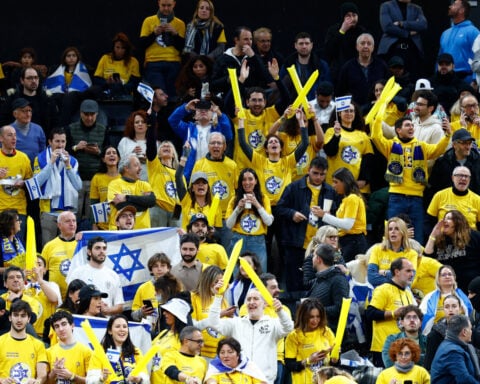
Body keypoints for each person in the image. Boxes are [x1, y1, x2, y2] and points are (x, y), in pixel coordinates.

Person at [371, 113, 452, 244]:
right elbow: (376, 136)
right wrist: (379, 116)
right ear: (398, 130)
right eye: (407, 125)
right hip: (396, 197)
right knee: (393, 233)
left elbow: (438, 149)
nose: (411, 128)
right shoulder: (390, 146)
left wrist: (447, 135)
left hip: (417, 198)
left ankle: (416, 262)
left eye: (412, 125)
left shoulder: (422, 146)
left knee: (417, 235)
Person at [208, 286, 294, 384]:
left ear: (265, 303)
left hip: (264, 380)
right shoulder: (236, 323)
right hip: (240, 379)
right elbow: (213, 323)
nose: (251, 302)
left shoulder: (273, 323)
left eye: (256, 299)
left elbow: (289, 327)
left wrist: (280, 311)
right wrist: (217, 297)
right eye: (248, 299)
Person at [276, 157, 336, 291]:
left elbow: (336, 215)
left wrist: (327, 215)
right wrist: (292, 214)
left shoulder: (330, 191)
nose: (318, 177)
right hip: (296, 242)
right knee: (294, 280)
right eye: (315, 173)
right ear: (308, 170)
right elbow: (279, 208)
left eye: (322, 174)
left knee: (317, 283)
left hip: (320, 244)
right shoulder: (293, 187)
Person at [32, 127, 82, 246]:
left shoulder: (73, 161)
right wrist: (51, 163)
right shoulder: (40, 158)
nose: (60, 145)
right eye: (57, 141)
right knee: (48, 249)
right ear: (50, 142)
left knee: (67, 250)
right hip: (48, 212)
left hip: (68, 213)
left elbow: (78, 186)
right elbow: (37, 183)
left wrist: (68, 166)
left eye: (63, 141)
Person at [366, 257, 416, 367]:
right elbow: (370, 313)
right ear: (397, 272)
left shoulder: (407, 293)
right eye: (408, 271)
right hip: (384, 348)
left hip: (403, 348)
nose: (412, 274)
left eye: (412, 271)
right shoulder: (383, 289)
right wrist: (393, 313)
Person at [191, 132, 238, 248]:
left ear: (224, 146)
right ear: (208, 146)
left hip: (227, 218)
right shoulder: (199, 164)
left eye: (219, 143)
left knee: (227, 254)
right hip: (206, 220)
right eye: (213, 143)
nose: (216, 146)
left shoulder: (232, 165)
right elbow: (192, 190)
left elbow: (237, 190)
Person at [168, 99, 232, 182]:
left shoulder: (218, 129)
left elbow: (229, 136)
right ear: (194, 115)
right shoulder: (188, 129)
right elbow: (172, 120)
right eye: (200, 110)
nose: (203, 111)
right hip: (191, 175)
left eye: (207, 110)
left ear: (212, 114)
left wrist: (220, 115)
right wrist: (186, 108)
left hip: (214, 173)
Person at [67, 99, 107, 225]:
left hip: (95, 180)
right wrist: (76, 148)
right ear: (80, 113)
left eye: (92, 114)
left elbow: (110, 152)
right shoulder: (70, 129)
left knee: (92, 219)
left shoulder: (103, 130)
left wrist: (99, 152)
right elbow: (63, 151)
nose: (89, 117)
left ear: (97, 114)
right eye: (86, 114)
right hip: (75, 180)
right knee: (73, 217)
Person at [225, 168, 273, 273]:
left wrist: (257, 204)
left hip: (258, 240)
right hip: (238, 239)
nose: (247, 182)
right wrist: (238, 209)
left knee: (260, 274)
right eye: (244, 179)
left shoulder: (264, 198)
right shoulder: (234, 199)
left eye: (250, 179)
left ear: (256, 181)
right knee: (237, 273)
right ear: (240, 182)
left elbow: (269, 222)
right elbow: (229, 225)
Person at [316, 167, 367, 263]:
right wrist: (328, 216)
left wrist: (324, 216)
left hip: (354, 242)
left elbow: (347, 225)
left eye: (336, 182)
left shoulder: (352, 198)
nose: (333, 185)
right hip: (347, 241)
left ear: (345, 182)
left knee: (347, 273)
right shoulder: (347, 199)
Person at [323, 101, 373, 194]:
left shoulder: (362, 135)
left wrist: (364, 179)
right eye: (346, 111)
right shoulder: (331, 131)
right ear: (339, 113)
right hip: (335, 186)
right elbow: (330, 152)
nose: (349, 113)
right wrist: (336, 135)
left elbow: (368, 159)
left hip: (357, 186)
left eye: (351, 111)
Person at [424, 210, 480, 292]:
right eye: (444, 218)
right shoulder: (440, 241)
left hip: (473, 287)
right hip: (448, 287)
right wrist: (433, 235)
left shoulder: (473, 236)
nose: (445, 221)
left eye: (449, 218)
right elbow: (427, 260)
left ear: (458, 222)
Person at [67, 236, 124, 315]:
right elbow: (70, 299)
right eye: (97, 248)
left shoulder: (113, 275)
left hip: (105, 323)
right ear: (89, 252)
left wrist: (107, 310)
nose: (101, 251)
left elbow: (120, 306)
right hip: (83, 321)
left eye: (104, 248)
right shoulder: (77, 273)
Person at [139, 0, 185, 97]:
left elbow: (182, 48)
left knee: (172, 95)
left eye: (169, 5)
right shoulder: (148, 21)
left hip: (173, 62)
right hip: (153, 62)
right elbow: (142, 44)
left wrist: (175, 34)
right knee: (160, 95)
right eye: (163, 5)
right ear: (158, 4)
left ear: (174, 4)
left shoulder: (179, 23)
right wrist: (154, 34)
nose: (166, 8)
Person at [86, 314, 149, 384]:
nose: (122, 330)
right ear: (110, 331)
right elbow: (90, 381)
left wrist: (139, 379)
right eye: (117, 326)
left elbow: (146, 379)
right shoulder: (100, 352)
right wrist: (101, 378)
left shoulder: (135, 351)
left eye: (125, 327)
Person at [285, 298, 336, 384]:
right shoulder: (294, 336)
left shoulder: (326, 332)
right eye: (311, 317)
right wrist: (309, 360)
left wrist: (335, 360)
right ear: (304, 317)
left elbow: (334, 365)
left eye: (318, 316)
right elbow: (290, 365)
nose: (315, 320)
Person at [211, 26, 271, 95]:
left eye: (251, 39)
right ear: (236, 40)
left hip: (252, 98)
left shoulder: (255, 57)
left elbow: (265, 78)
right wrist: (227, 79)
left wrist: (253, 57)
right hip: (230, 97)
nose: (249, 42)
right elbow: (213, 85)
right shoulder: (222, 59)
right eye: (246, 39)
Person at [145, 113, 181, 228]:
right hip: (158, 208)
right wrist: (152, 126)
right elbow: (150, 147)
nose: (166, 147)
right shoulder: (155, 166)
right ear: (158, 154)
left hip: (176, 211)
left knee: (176, 243)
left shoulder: (179, 173)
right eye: (163, 147)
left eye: (169, 146)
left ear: (174, 155)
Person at [191, 266, 234, 360]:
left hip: (221, 352)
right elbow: (192, 326)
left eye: (221, 282)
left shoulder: (223, 299)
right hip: (201, 353)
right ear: (207, 281)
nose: (219, 285)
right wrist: (220, 314)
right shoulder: (193, 298)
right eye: (216, 281)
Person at [303, 244, 349, 331]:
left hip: (330, 336)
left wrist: (315, 310)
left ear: (318, 259)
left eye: (313, 256)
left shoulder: (338, 280)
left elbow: (340, 308)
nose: (311, 259)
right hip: (317, 333)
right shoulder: (319, 279)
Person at [0, 300, 47, 384]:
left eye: (23, 316)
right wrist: (2, 380)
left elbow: (42, 374)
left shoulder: (38, 345)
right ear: (10, 317)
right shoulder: (0, 342)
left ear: (28, 319)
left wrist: (37, 382)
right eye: (15, 315)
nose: (19, 319)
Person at [377, 0, 428, 78]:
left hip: (412, 52)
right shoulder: (386, 6)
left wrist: (402, 24)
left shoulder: (417, 9)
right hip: (392, 50)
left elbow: (423, 25)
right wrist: (408, 33)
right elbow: (387, 27)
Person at [0, 125, 33, 243]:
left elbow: (31, 183)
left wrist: (24, 183)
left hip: (19, 211)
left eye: (15, 135)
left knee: (19, 246)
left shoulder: (23, 158)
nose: (14, 138)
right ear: (1, 138)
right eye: (9, 135)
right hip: (1, 210)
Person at [336, 33, 388, 107]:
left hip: (377, 108)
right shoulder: (347, 67)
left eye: (369, 44)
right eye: (362, 43)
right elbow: (340, 92)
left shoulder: (382, 66)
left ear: (373, 47)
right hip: (354, 111)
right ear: (357, 46)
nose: (366, 46)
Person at [44, 46, 92, 126]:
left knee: (69, 97)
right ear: (64, 58)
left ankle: (63, 125)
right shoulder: (57, 69)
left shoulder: (85, 69)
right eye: (68, 56)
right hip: (62, 95)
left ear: (77, 57)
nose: (71, 58)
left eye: (73, 55)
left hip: (76, 96)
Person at [150, 298, 193, 383]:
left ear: (177, 315)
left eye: (168, 311)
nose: (164, 313)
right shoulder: (164, 333)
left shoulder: (183, 341)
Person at [107, 154, 156, 229]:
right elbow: (121, 206)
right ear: (126, 168)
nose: (140, 168)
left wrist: (127, 197)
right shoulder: (114, 184)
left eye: (140, 165)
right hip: (121, 233)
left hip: (143, 232)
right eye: (136, 165)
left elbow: (151, 201)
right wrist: (144, 204)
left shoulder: (145, 184)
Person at [428, 128, 480, 198]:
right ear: (454, 145)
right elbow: (433, 188)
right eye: (464, 143)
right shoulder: (442, 163)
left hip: (473, 206)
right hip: (447, 205)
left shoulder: (477, 161)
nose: (468, 147)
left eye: (470, 143)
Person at [420, 264, 472, 334]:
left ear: (454, 277)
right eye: (443, 275)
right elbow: (422, 318)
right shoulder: (429, 298)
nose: (447, 276)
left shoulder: (462, 296)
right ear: (438, 279)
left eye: (450, 274)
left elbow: (470, 315)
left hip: (460, 334)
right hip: (436, 335)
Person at [367, 217, 418, 287]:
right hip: (379, 292)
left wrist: (385, 272)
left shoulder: (412, 254)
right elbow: (371, 278)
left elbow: (409, 280)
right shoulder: (377, 250)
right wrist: (399, 278)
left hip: (401, 293)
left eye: (397, 229)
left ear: (403, 232)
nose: (393, 231)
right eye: (390, 229)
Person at [280, 32, 331, 101]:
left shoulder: (322, 65)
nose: (304, 46)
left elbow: (328, 88)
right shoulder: (287, 65)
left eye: (307, 43)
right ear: (295, 45)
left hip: (315, 104)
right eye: (301, 43)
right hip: (292, 105)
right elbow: (281, 89)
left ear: (311, 45)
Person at [324, 2, 367, 83]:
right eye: (348, 16)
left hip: (358, 71)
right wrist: (342, 31)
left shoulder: (362, 31)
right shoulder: (334, 30)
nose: (352, 18)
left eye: (354, 15)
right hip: (339, 73)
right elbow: (329, 51)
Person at [431, 314, 480, 383]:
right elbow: (464, 379)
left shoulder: (450, 345)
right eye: (470, 329)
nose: (471, 332)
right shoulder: (452, 351)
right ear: (464, 332)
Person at [427, 166, 480, 230]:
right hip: (444, 237)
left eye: (466, 176)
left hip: (469, 237)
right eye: (460, 175)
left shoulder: (477, 199)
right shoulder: (440, 195)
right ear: (452, 178)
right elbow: (430, 221)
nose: (463, 178)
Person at [46, 311, 92, 384]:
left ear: (72, 325)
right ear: (54, 330)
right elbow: (45, 382)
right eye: (57, 326)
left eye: (64, 324)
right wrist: (54, 372)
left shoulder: (86, 351)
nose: (61, 329)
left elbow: (92, 381)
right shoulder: (48, 352)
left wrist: (72, 376)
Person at [439, 0, 480, 82]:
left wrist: (475, 79)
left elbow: (479, 58)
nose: (450, 7)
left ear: (462, 10)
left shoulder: (473, 32)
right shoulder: (445, 33)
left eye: (454, 5)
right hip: (445, 80)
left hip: (466, 80)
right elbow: (440, 58)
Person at [40, 211, 77, 298]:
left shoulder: (82, 244)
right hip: (56, 297)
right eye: (68, 221)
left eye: (74, 221)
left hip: (78, 297)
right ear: (59, 225)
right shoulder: (49, 246)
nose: (72, 224)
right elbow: (41, 271)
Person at [93, 32, 140, 98]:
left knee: (117, 87)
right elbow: (96, 79)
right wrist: (106, 82)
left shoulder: (133, 61)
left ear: (126, 49)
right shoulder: (105, 58)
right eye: (117, 47)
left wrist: (121, 85)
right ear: (113, 47)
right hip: (106, 91)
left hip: (125, 93)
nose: (120, 50)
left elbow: (135, 83)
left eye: (123, 48)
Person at [423, 294, 463, 370]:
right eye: (447, 307)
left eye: (454, 306)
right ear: (443, 309)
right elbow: (428, 363)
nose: (450, 310)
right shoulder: (434, 335)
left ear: (460, 309)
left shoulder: (469, 330)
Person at [24, 255, 62, 337]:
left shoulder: (52, 285)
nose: (35, 267)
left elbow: (54, 299)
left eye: (38, 264)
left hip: (45, 333)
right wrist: (21, 277)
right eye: (31, 264)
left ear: (45, 269)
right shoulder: (20, 285)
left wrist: (39, 280)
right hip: (24, 332)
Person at [131, 252, 172, 324]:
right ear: (151, 269)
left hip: (171, 330)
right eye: (156, 266)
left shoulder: (176, 287)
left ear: (168, 268)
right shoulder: (143, 288)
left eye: (163, 266)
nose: (159, 269)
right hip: (150, 330)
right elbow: (133, 316)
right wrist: (142, 312)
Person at [90, 146, 121, 230]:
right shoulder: (97, 178)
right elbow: (94, 203)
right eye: (108, 153)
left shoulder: (124, 178)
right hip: (102, 226)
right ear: (103, 159)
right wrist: (94, 224)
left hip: (120, 225)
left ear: (118, 158)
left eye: (114, 153)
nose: (112, 155)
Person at [117, 110, 153, 181]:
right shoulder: (124, 141)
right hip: (129, 183)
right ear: (132, 125)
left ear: (148, 125)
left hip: (149, 183)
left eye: (143, 122)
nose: (140, 124)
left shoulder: (154, 143)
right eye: (137, 122)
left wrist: (149, 160)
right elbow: (119, 165)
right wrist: (132, 155)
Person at [10, 98, 46, 165]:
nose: (28, 114)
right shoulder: (7, 131)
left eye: (30, 111)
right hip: (16, 170)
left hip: (36, 171)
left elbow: (43, 152)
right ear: (15, 114)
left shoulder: (38, 129)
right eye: (24, 111)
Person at [0, 210, 26, 277]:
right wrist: (12, 270)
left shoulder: (19, 239)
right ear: (10, 224)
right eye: (18, 220)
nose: (20, 222)